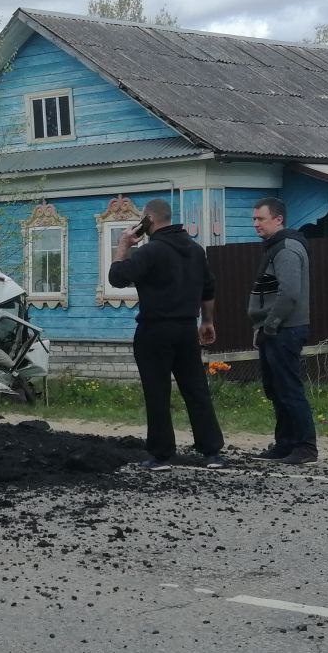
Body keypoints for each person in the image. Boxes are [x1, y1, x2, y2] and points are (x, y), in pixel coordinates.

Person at [108, 198, 225, 470]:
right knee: (196, 389)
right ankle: (212, 453)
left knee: (157, 391)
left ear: (149, 218)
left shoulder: (151, 252)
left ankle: (161, 455)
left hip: (155, 329)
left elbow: (118, 277)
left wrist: (123, 246)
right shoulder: (196, 250)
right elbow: (209, 287)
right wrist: (206, 321)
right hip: (186, 328)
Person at [248, 198, 317, 464]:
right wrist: (261, 326)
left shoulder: (287, 248)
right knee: (276, 388)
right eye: (254, 219)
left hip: (284, 330)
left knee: (288, 388)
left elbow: (288, 293)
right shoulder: (275, 247)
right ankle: (285, 444)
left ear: (278, 220)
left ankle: (305, 447)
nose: (256, 224)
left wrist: (270, 325)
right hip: (275, 328)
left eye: (260, 219)